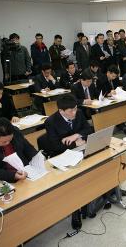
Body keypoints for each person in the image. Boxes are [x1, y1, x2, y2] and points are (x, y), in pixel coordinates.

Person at [44, 94, 93, 230]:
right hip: (62, 156)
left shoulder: (79, 113)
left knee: (101, 162)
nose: (74, 112)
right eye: (70, 111)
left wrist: (76, 135)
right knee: (75, 181)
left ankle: (109, 190)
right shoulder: (51, 122)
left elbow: (89, 129)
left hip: (81, 149)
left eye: (75, 109)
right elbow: (54, 146)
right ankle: (75, 210)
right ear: (61, 111)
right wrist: (74, 144)